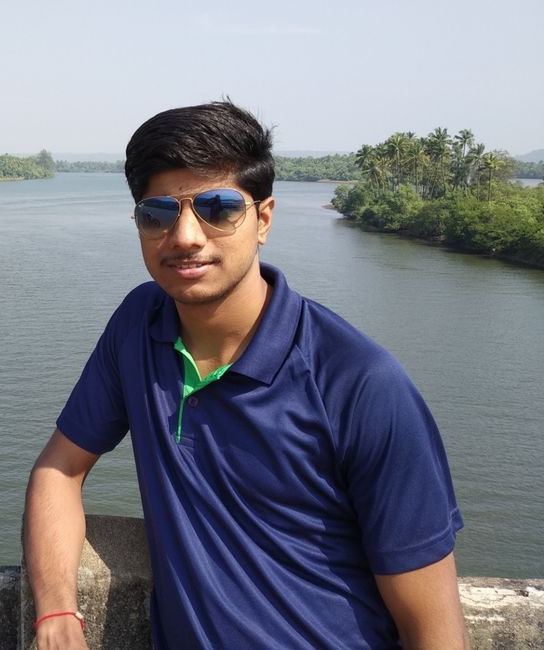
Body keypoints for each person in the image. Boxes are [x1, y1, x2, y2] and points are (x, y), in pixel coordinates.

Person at [23, 102, 467, 649]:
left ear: (264, 219)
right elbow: (59, 470)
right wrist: (56, 613)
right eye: (158, 213)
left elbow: (434, 629)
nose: (186, 236)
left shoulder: (359, 383)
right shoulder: (140, 326)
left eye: (218, 208)